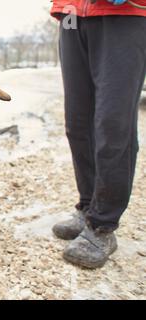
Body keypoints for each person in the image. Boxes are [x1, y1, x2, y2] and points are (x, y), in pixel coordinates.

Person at [50, 0, 146, 268]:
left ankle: (102, 226)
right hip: (71, 14)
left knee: (112, 124)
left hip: (125, 13)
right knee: (77, 122)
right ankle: (88, 206)